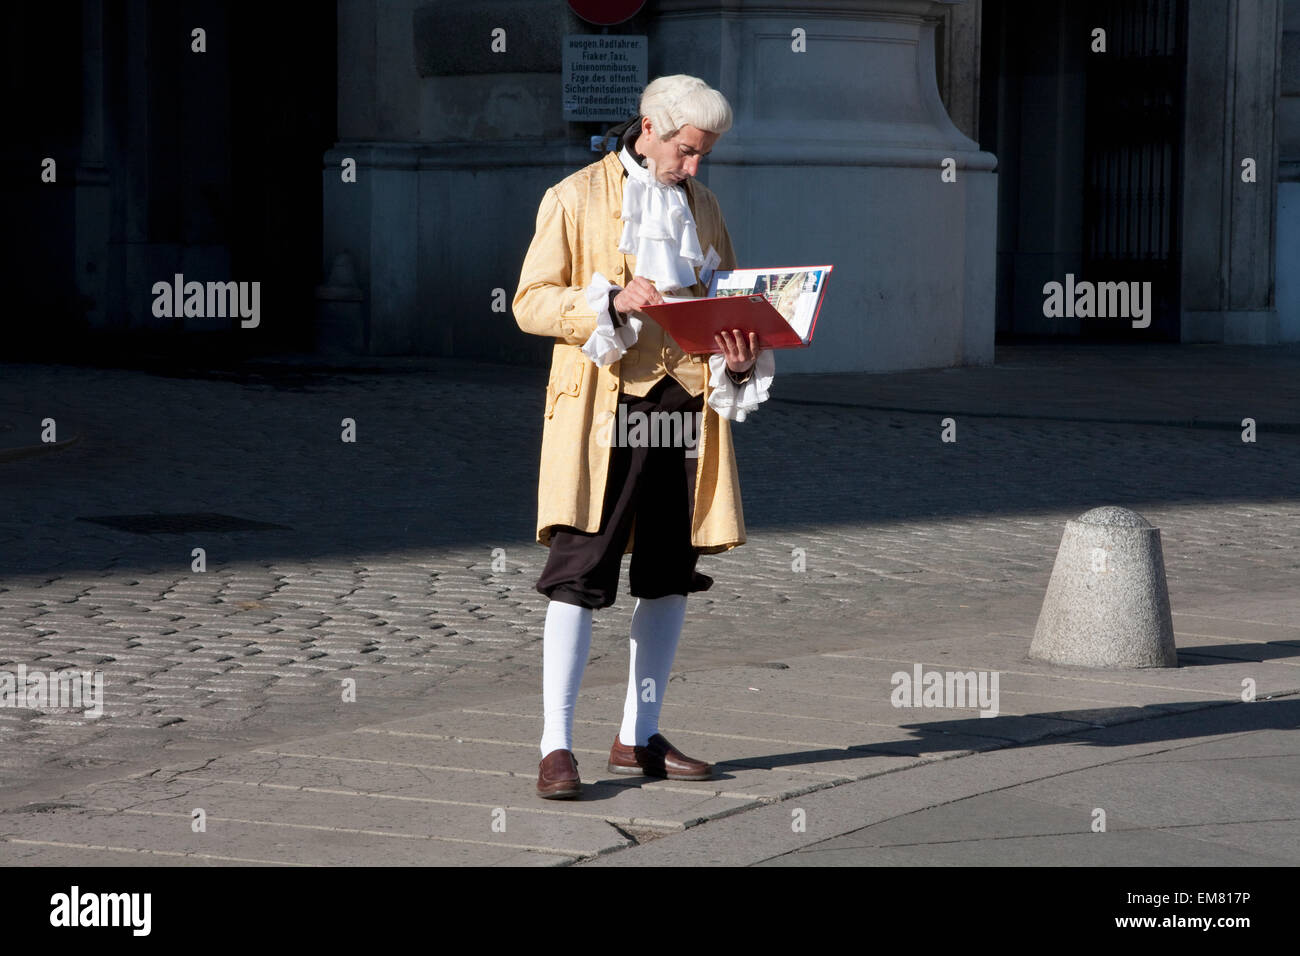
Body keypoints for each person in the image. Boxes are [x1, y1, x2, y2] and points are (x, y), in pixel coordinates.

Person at [513, 75, 775, 799]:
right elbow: (530, 302)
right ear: (650, 127)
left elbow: (724, 299)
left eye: (704, 157)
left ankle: (638, 735)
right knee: (580, 568)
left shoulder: (706, 207)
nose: (693, 168)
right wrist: (608, 299)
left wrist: (741, 351)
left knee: (667, 571)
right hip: (605, 407)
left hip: (685, 406)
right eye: (687, 152)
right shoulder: (573, 197)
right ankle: (554, 746)